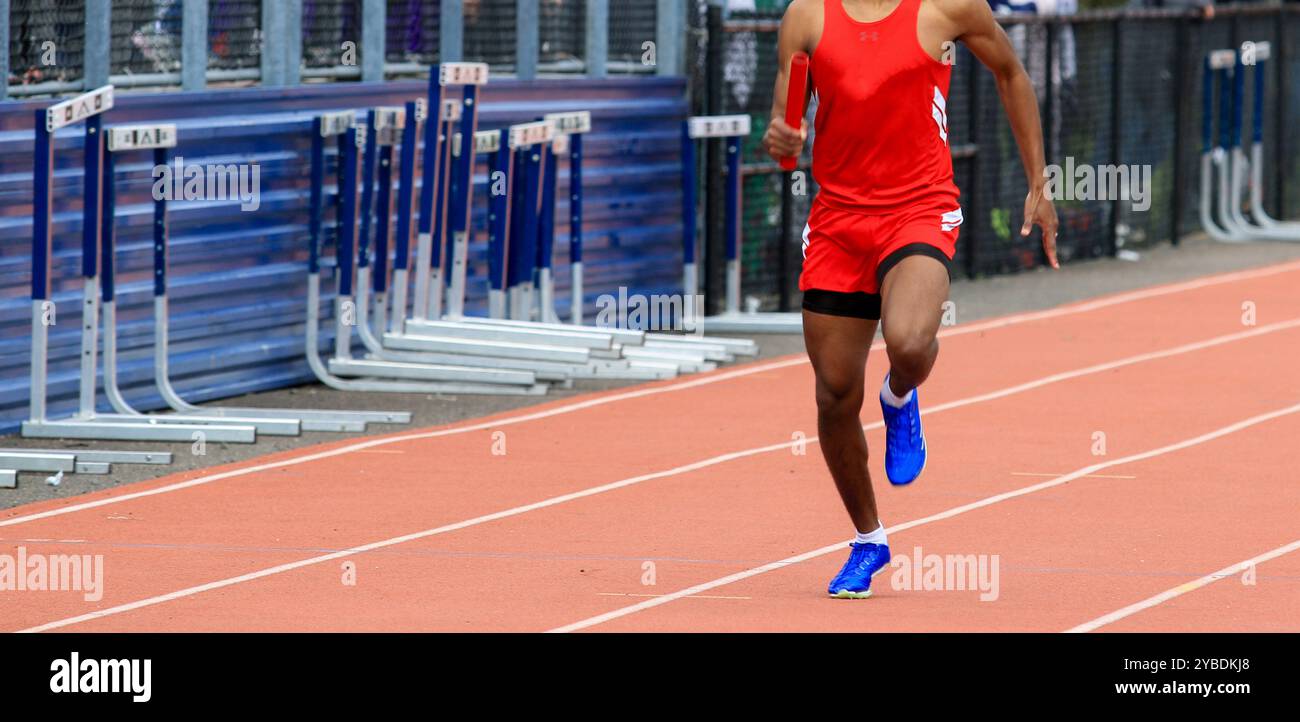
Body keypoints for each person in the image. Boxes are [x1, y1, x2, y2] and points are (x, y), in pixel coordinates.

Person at [762, 0, 1058, 598]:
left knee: (909, 339)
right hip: (838, 220)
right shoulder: (806, 17)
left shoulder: (948, 8)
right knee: (833, 394)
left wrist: (1039, 183)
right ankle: (869, 541)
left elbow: (1011, 74)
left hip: (919, 208)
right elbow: (784, 129)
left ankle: (900, 396)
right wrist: (781, 139)